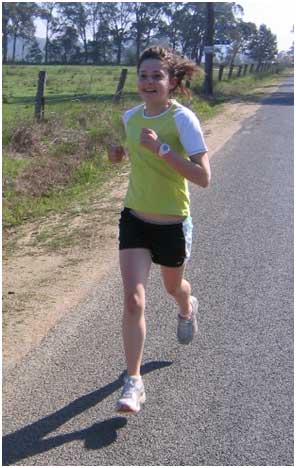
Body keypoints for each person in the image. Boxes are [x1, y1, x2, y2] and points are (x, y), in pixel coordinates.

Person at [108, 46, 211, 414]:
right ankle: (133, 381)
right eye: (144, 76)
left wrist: (163, 149)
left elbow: (203, 178)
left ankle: (187, 306)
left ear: (170, 82)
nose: (149, 82)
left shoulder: (183, 120)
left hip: (172, 223)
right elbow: (122, 153)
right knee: (134, 299)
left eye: (157, 76)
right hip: (135, 218)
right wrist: (115, 154)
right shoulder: (130, 117)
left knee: (173, 287)